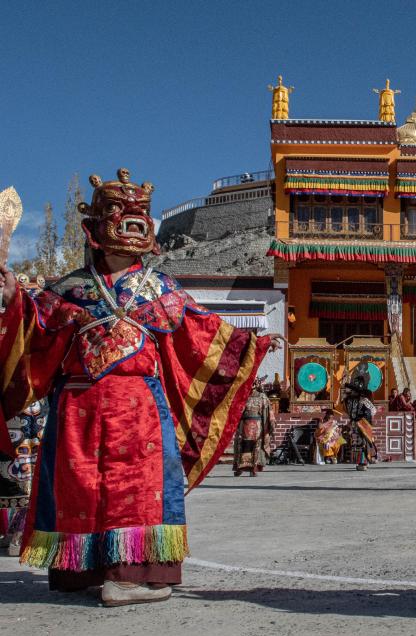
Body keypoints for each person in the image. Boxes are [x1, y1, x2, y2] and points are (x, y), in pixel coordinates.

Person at [0, 170, 282, 606]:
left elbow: (202, 334)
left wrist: (251, 343)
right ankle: (91, 572)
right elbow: (33, 332)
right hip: (80, 405)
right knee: (83, 486)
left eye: (140, 215)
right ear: (93, 227)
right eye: (118, 213)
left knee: (135, 489)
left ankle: (127, 577)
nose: (132, 222)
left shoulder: (160, 288)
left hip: (138, 409)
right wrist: (14, 294)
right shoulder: (68, 289)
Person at [0, 400, 46, 557]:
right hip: (18, 399)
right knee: (19, 462)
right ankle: (17, 532)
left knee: (30, 463)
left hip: (33, 400)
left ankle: (19, 531)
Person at [232, 378, 273, 477]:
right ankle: (239, 467)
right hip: (243, 424)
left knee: (256, 446)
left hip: (257, 425)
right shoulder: (242, 396)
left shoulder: (262, 397)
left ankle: (253, 468)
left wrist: (269, 424)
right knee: (240, 446)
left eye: (253, 383)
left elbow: (267, 412)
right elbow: (236, 410)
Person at [342, 365, 377, 470]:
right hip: (356, 422)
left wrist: (349, 385)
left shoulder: (366, 395)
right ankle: (368, 459)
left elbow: (371, 410)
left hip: (364, 422)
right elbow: (347, 406)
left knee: (364, 442)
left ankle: (364, 462)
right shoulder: (350, 398)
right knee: (360, 442)